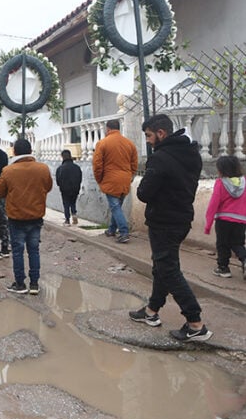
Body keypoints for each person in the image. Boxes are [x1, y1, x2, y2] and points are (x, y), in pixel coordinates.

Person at [131, 113, 213, 342]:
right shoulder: (191, 154)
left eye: (148, 136)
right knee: (161, 266)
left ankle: (195, 323)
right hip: (181, 219)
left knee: (168, 269)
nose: (147, 140)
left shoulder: (160, 159)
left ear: (161, 133)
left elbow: (143, 193)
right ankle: (151, 311)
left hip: (164, 222)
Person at [0, 138, 53, 295]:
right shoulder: (43, 168)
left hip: (16, 217)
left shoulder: (8, 171)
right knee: (34, 250)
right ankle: (34, 284)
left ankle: (20, 284)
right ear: (30, 150)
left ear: (14, 152)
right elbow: (48, 187)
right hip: (36, 216)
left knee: (18, 251)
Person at [93, 119, 138, 243]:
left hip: (110, 180)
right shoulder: (129, 144)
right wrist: (131, 175)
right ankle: (112, 229)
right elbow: (134, 163)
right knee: (116, 206)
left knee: (115, 207)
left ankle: (124, 232)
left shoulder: (102, 143)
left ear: (108, 129)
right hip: (125, 180)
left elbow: (97, 165)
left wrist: (99, 179)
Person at [204, 155, 246, 279]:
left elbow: (214, 204)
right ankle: (244, 258)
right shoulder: (244, 183)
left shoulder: (220, 183)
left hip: (223, 220)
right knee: (237, 243)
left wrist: (208, 224)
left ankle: (223, 268)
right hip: (241, 220)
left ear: (222, 170)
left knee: (222, 244)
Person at [56, 149, 83, 226]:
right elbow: (80, 178)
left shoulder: (60, 168)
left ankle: (67, 220)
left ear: (62, 157)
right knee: (73, 202)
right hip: (75, 189)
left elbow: (58, 181)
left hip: (64, 189)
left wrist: (61, 185)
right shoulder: (77, 167)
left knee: (66, 204)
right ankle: (74, 214)